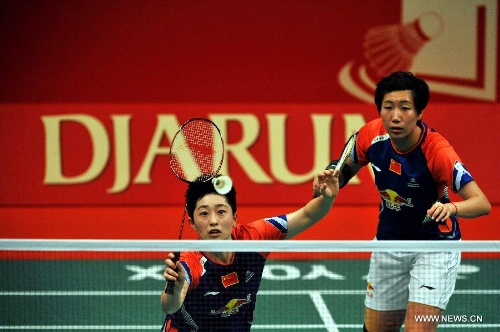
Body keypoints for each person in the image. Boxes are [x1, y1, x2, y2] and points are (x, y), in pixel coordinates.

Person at [315, 71, 491, 332]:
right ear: (380, 109)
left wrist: (451, 208)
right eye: (388, 107)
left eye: (405, 108)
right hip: (389, 242)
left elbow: (481, 202)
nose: (396, 116)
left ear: (419, 113)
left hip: (434, 246)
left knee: (417, 329)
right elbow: (341, 173)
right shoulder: (370, 135)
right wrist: (327, 183)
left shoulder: (437, 152)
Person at [161, 169, 339, 332]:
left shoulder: (254, 239)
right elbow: (169, 306)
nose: (213, 221)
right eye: (204, 213)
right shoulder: (190, 262)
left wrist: (327, 198)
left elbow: (307, 215)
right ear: (192, 222)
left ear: (234, 218)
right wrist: (175, 288)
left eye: (221, 211)